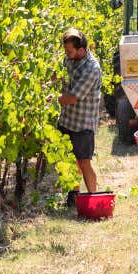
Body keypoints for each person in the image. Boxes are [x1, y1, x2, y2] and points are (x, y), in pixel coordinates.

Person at [56, 28, 102, 194]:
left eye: (69, 51)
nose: (66, 54)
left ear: (81, 50)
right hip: (66, 119)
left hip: (83, 124)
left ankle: (93, 196)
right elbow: (59, 75)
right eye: (65, 50)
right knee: (68, 159)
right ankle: (73, 195)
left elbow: (74, 97)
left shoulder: (92, 69)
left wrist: (52, 98)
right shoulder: (69, 58)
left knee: (84, 162)